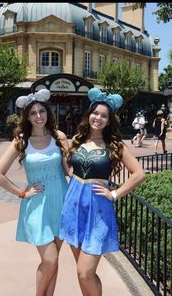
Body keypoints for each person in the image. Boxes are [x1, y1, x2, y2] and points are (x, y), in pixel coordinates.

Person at [59, 88, 145, 296]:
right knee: (81, 272)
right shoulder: (78, 139)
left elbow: (138, 174)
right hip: (73, 207)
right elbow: (69, 169)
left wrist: (114, 194)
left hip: (98, 210)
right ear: (89, 115)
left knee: (85, 272)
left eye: (104, 115)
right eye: (95, 113)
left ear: (109, 120)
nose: (98, 118)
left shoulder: (114, 145)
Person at [0, 89, 69, 296]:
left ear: (48, 112)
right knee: (49, 259)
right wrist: (21, 193)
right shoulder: (21, 140)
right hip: (37, 206)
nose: (38, 116)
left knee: (54, 261)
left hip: (61, 203)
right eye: (33, 112)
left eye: (41, 111)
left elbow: (69, 170)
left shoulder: (59, 137)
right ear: (27, 116)